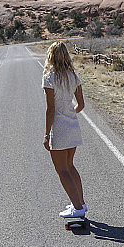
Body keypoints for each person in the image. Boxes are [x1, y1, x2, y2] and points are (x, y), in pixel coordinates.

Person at [42, 41, 86, 218]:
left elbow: (50, 109)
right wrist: (70, 114)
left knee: (62, 170)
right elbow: (81, 105)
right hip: (72, 125)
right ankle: (80, 203)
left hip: (59, 128)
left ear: (51, 56)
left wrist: (47, 134)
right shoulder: (73, 76)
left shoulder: (49, 77)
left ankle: (77, 208)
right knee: (69, 166)